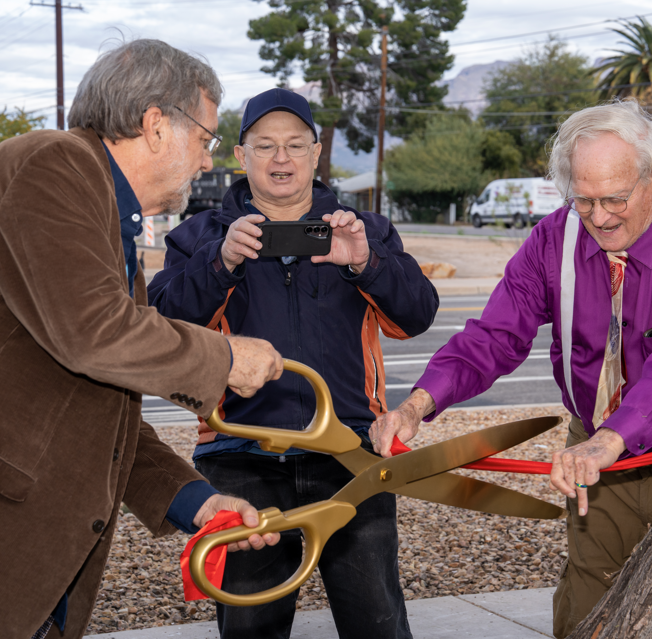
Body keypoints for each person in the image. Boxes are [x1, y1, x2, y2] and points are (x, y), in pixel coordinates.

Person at [369, 100, 652, 638]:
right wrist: (418, 404)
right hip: (596, 451)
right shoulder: (552, 239)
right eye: (583, 200)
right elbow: (494, 335)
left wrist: (609, 441)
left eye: (614, 199)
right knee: (587, 597)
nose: (599, 217)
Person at [0, 40, 287, 639]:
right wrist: (226, 357)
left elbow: (100, 405)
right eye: (207, 139)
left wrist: (196, 502)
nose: (209, 163)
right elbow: (94, 335)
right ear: (155, 125)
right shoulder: (57, 163)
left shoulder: (104, 212)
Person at [148, 87, 438, 639]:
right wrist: (222, 261)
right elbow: (159, 326)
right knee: (250, 625)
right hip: (240, 458)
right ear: (241, 155)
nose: (280, 159)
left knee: (377, 621)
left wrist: (367, 263)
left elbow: (417, 314)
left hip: (350, 450)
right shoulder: (200, 236)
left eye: (294, 145)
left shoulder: (363, 229)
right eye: (265, 146)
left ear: (316, 151)